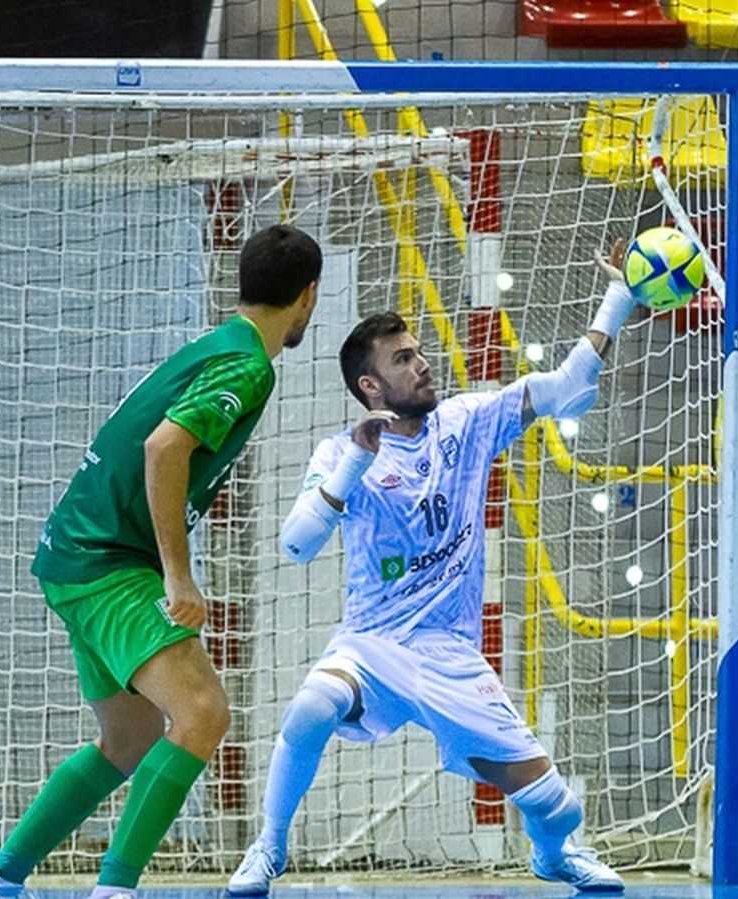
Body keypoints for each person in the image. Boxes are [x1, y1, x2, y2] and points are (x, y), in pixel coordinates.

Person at [227, 248, 641, 896]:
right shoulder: (342, 451)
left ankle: (555, 852)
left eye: (418, 352)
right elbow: (296, 544)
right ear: (370, 386)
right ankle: (268, 849)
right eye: (403, 359)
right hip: (372, 643)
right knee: (311, 706)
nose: (422, 365)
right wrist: (355, 465)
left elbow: (565, 387)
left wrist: (618, 298)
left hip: (449, 653)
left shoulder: (467, 422)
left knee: (559, 809)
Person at [0, 224, 323, 899]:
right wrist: (178, 573)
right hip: (108, 558)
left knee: (128, 738)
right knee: (204, 710)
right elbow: (165, 449)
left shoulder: (217, 344)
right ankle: (116, 891)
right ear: (309, 295)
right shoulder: (247, 364)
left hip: (72, 552)